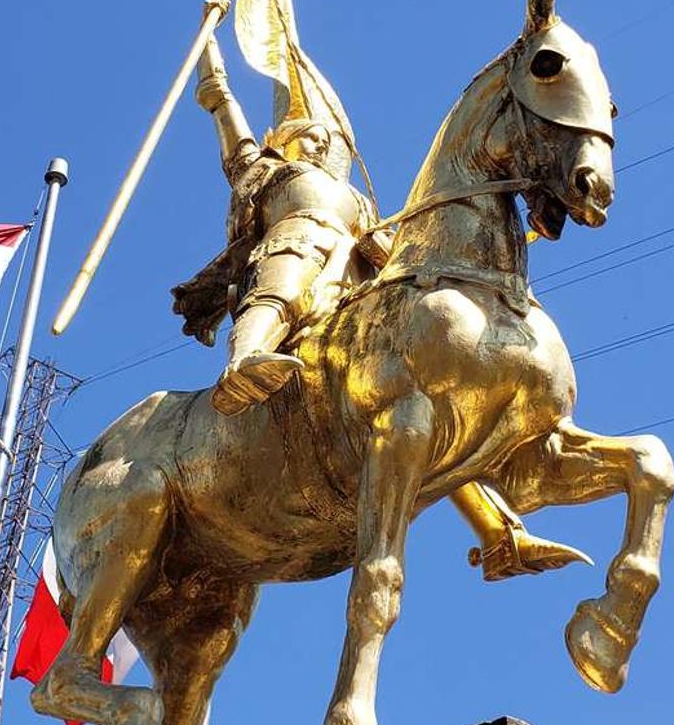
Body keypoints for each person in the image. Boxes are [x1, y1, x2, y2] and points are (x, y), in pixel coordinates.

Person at [170, 36, 588, 581]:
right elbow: (229, 123)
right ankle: (246, 361)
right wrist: (214, 75)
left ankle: (499, 532)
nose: (320, 139)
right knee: (288, 276)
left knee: (429, 383)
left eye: (323, 135)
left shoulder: (356, 200)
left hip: (356, 285)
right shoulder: (269, 173)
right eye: (307, 134)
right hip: (299, 249)